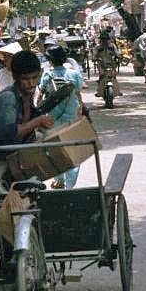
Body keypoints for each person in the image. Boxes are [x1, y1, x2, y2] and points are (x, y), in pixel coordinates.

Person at [0, 51, 55, 173]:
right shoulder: (8, 98)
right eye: (25, 79)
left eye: (34, 78)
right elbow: (9, 134)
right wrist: (37, 121)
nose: (31, 83)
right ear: (15, 77)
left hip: (16, 161)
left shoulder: (27, 95)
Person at [39, 46, 84, 189]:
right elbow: (78, 94)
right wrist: (80, 109)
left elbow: (40, 95)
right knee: (73, 149)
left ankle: (59, 180)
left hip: (52, 117)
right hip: (71, 114)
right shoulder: (74, 74)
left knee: (55, 149)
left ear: (51, 61)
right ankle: (70, 185)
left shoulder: (47, 74)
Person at [94, 29, 122, 98]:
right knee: (102, 75)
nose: (104, 40)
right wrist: (94, 58)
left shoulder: (112, 46)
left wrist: (119, 56)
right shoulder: (98, 47)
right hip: (101, 64)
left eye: (106, 39)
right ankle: (99, 90)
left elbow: (117, 53)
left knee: (113, 76)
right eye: (103, 39)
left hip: (111, 64)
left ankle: (117, 90)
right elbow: (94, 55)